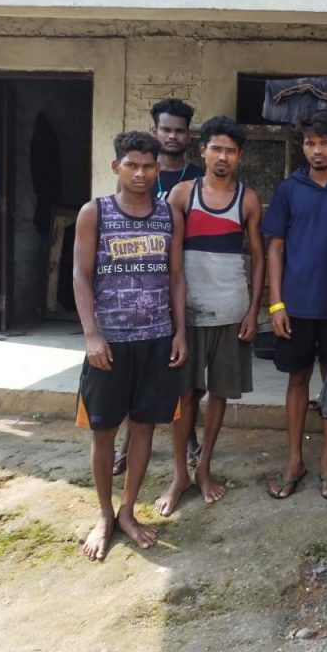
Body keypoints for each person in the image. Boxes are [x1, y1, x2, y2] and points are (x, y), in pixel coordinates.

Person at [72, 130, 187, 560]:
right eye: (132, 165)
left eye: (148, 166)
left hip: (157, 340)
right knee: (103, 432)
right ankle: (104, 514)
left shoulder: (168, 215)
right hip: (110, 345)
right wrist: (91, 334)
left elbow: (176, 276)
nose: (140, 173)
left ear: (158, 169)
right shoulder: (95, 212)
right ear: (115, 166)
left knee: (144, 428)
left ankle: (127, 510)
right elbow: (80, 275)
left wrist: (180, 332)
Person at [153, 116, 264, 516]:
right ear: (202, 151)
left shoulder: (248, 200)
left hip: (232, 309)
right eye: (216, 148)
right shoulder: (183, 194)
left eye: (230, 151)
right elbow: (171, 257)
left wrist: (253, 310)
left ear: (240, 156)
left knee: (219, 393)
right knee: (183, 394)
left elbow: (258, 257)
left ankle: (204, 468)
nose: (222, 157)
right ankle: (179, 474)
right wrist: (172, 312)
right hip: (189, 312)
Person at [261, 110, 327, 500]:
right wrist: (276, 304)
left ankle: (326, 461)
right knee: (296, 381)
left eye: (324, 142)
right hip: (296, 306)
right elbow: (275, 248)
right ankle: (294, 460)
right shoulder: (289, 190)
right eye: (310, 143)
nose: (317, 150)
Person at [113, 98, 202, 477]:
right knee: (132, 373)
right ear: (155, 130)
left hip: (183, 281)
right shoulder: (137, 173)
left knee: (183, 373)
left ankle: (189, 438)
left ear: (189, 135)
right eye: (166, 129)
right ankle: (126, 443)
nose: (172, 136)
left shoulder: (198, 177)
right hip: (138, 288)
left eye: (180, 130)